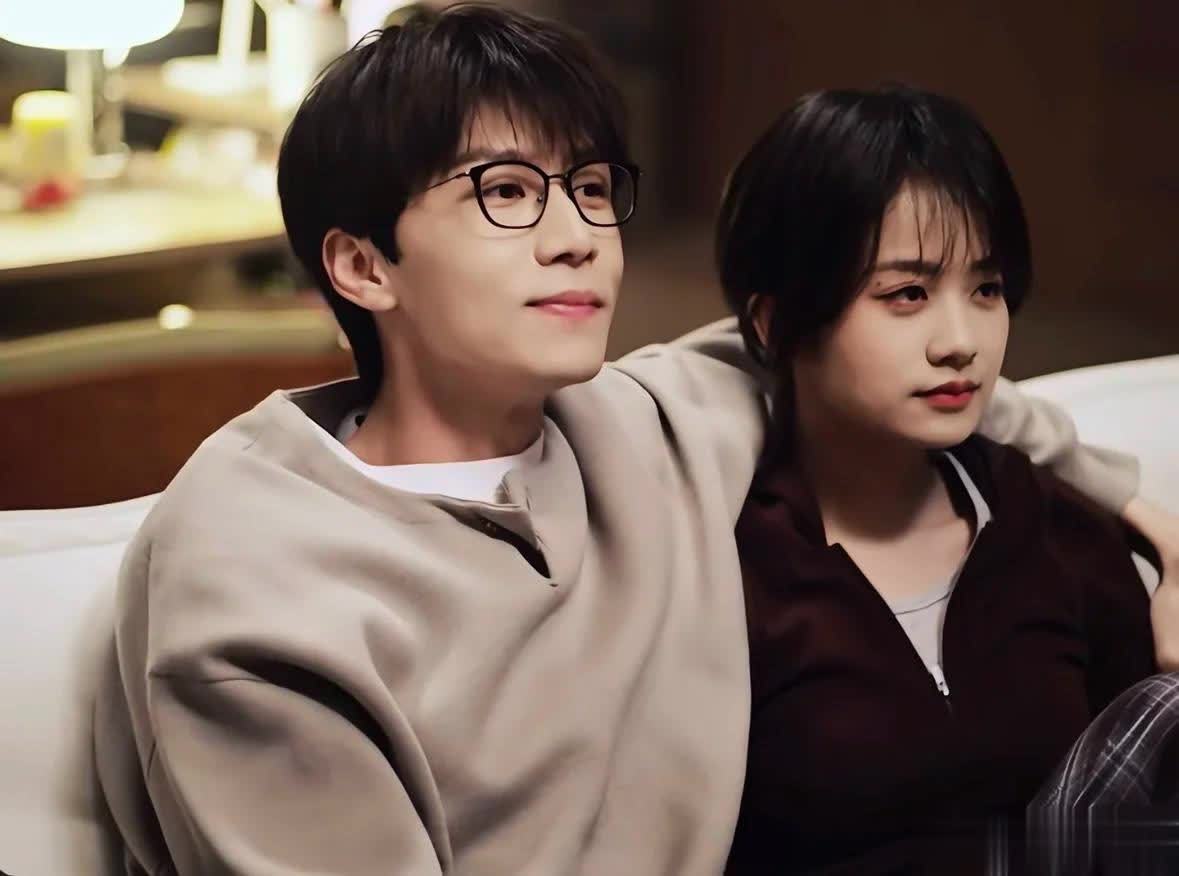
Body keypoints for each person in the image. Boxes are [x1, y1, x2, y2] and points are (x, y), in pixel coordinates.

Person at [94, 8, 1171, 874]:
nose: (577, 237)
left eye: (592, 189)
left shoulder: (648, 422)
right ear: (364, 266)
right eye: (506, 193)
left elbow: (899, 360)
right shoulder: (254, 590)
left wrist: (1151, 523)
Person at [719, 84, 1175, 875]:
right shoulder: (724, 572)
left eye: (986, 289)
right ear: (776, 320)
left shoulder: (1055, 527)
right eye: (906, 294)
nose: (960, 341)